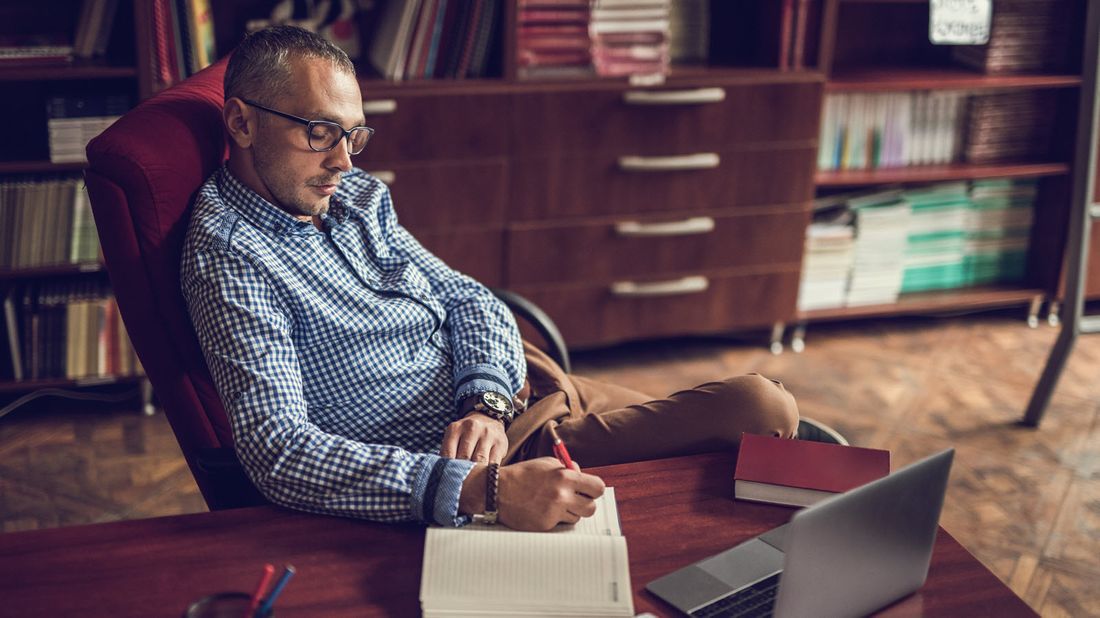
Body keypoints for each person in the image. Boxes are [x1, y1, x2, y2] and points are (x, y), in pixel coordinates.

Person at [181, 25, 799, 532]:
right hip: (508, 458)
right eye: (318, 132)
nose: (343, 160)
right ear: (240, 123)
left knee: (765, 462)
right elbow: (279, 452)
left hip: (519, 388)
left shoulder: (353, 198)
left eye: (353, 135)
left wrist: (485, 402)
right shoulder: (232, 258)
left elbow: (467, 298)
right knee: (760, 410)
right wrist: (485, 489)